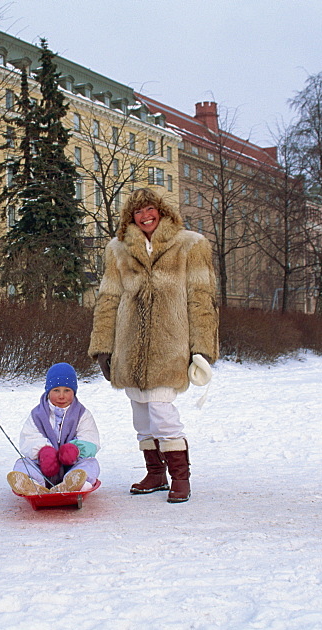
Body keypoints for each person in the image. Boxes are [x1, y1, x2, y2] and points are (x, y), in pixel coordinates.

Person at [88, 188, 218, 503]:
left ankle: (180, 478)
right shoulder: (117, 249)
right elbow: (108, 298)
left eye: (150, 209)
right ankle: (155, 474)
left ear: (161, 211)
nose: (145, 216)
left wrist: (201, 346)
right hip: (129, 346)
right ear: (130, 217)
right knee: (141, 416)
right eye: (138, 212)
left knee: (163, 412)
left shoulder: (191, 244)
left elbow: (201, 297)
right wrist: (103, 345)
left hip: (170, 345)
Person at [7, 363, 100, 496]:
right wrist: (43, 451)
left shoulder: (82, 414)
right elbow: (29, 438)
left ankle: (75, 483)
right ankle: (32, 484)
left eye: (67, 390)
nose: (61, 396)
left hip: (72, 465)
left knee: (91, 464)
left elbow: (90, 438)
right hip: (42, 466)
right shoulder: (37, 414)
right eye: (56, 390)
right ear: (48, 391)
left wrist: (75, 449)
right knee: (23, 463)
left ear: (74, 391)